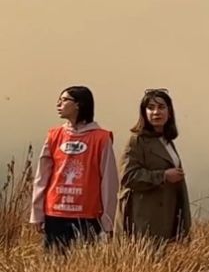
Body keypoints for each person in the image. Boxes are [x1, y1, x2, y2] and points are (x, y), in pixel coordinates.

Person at [30, 86, 119, 252]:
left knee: (82, 266)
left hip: (88, 215)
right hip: (55, 212)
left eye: (64, 100)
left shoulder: (101, 138)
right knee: (52, 266)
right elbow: (41, 177)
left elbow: (109, 181)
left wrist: (108, 221)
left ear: (78, 104)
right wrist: (37, 213)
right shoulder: (54, 135)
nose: (58, 104)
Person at [118, 89, 192, 243]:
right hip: (143, 218)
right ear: (144, 113)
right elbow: (127, 176)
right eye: (151, 108)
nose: (156, 112)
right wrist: (163, 176)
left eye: (161, 107)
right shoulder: (137, 141)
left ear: (169, 112)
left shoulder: (167, 141)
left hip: (167, 215)